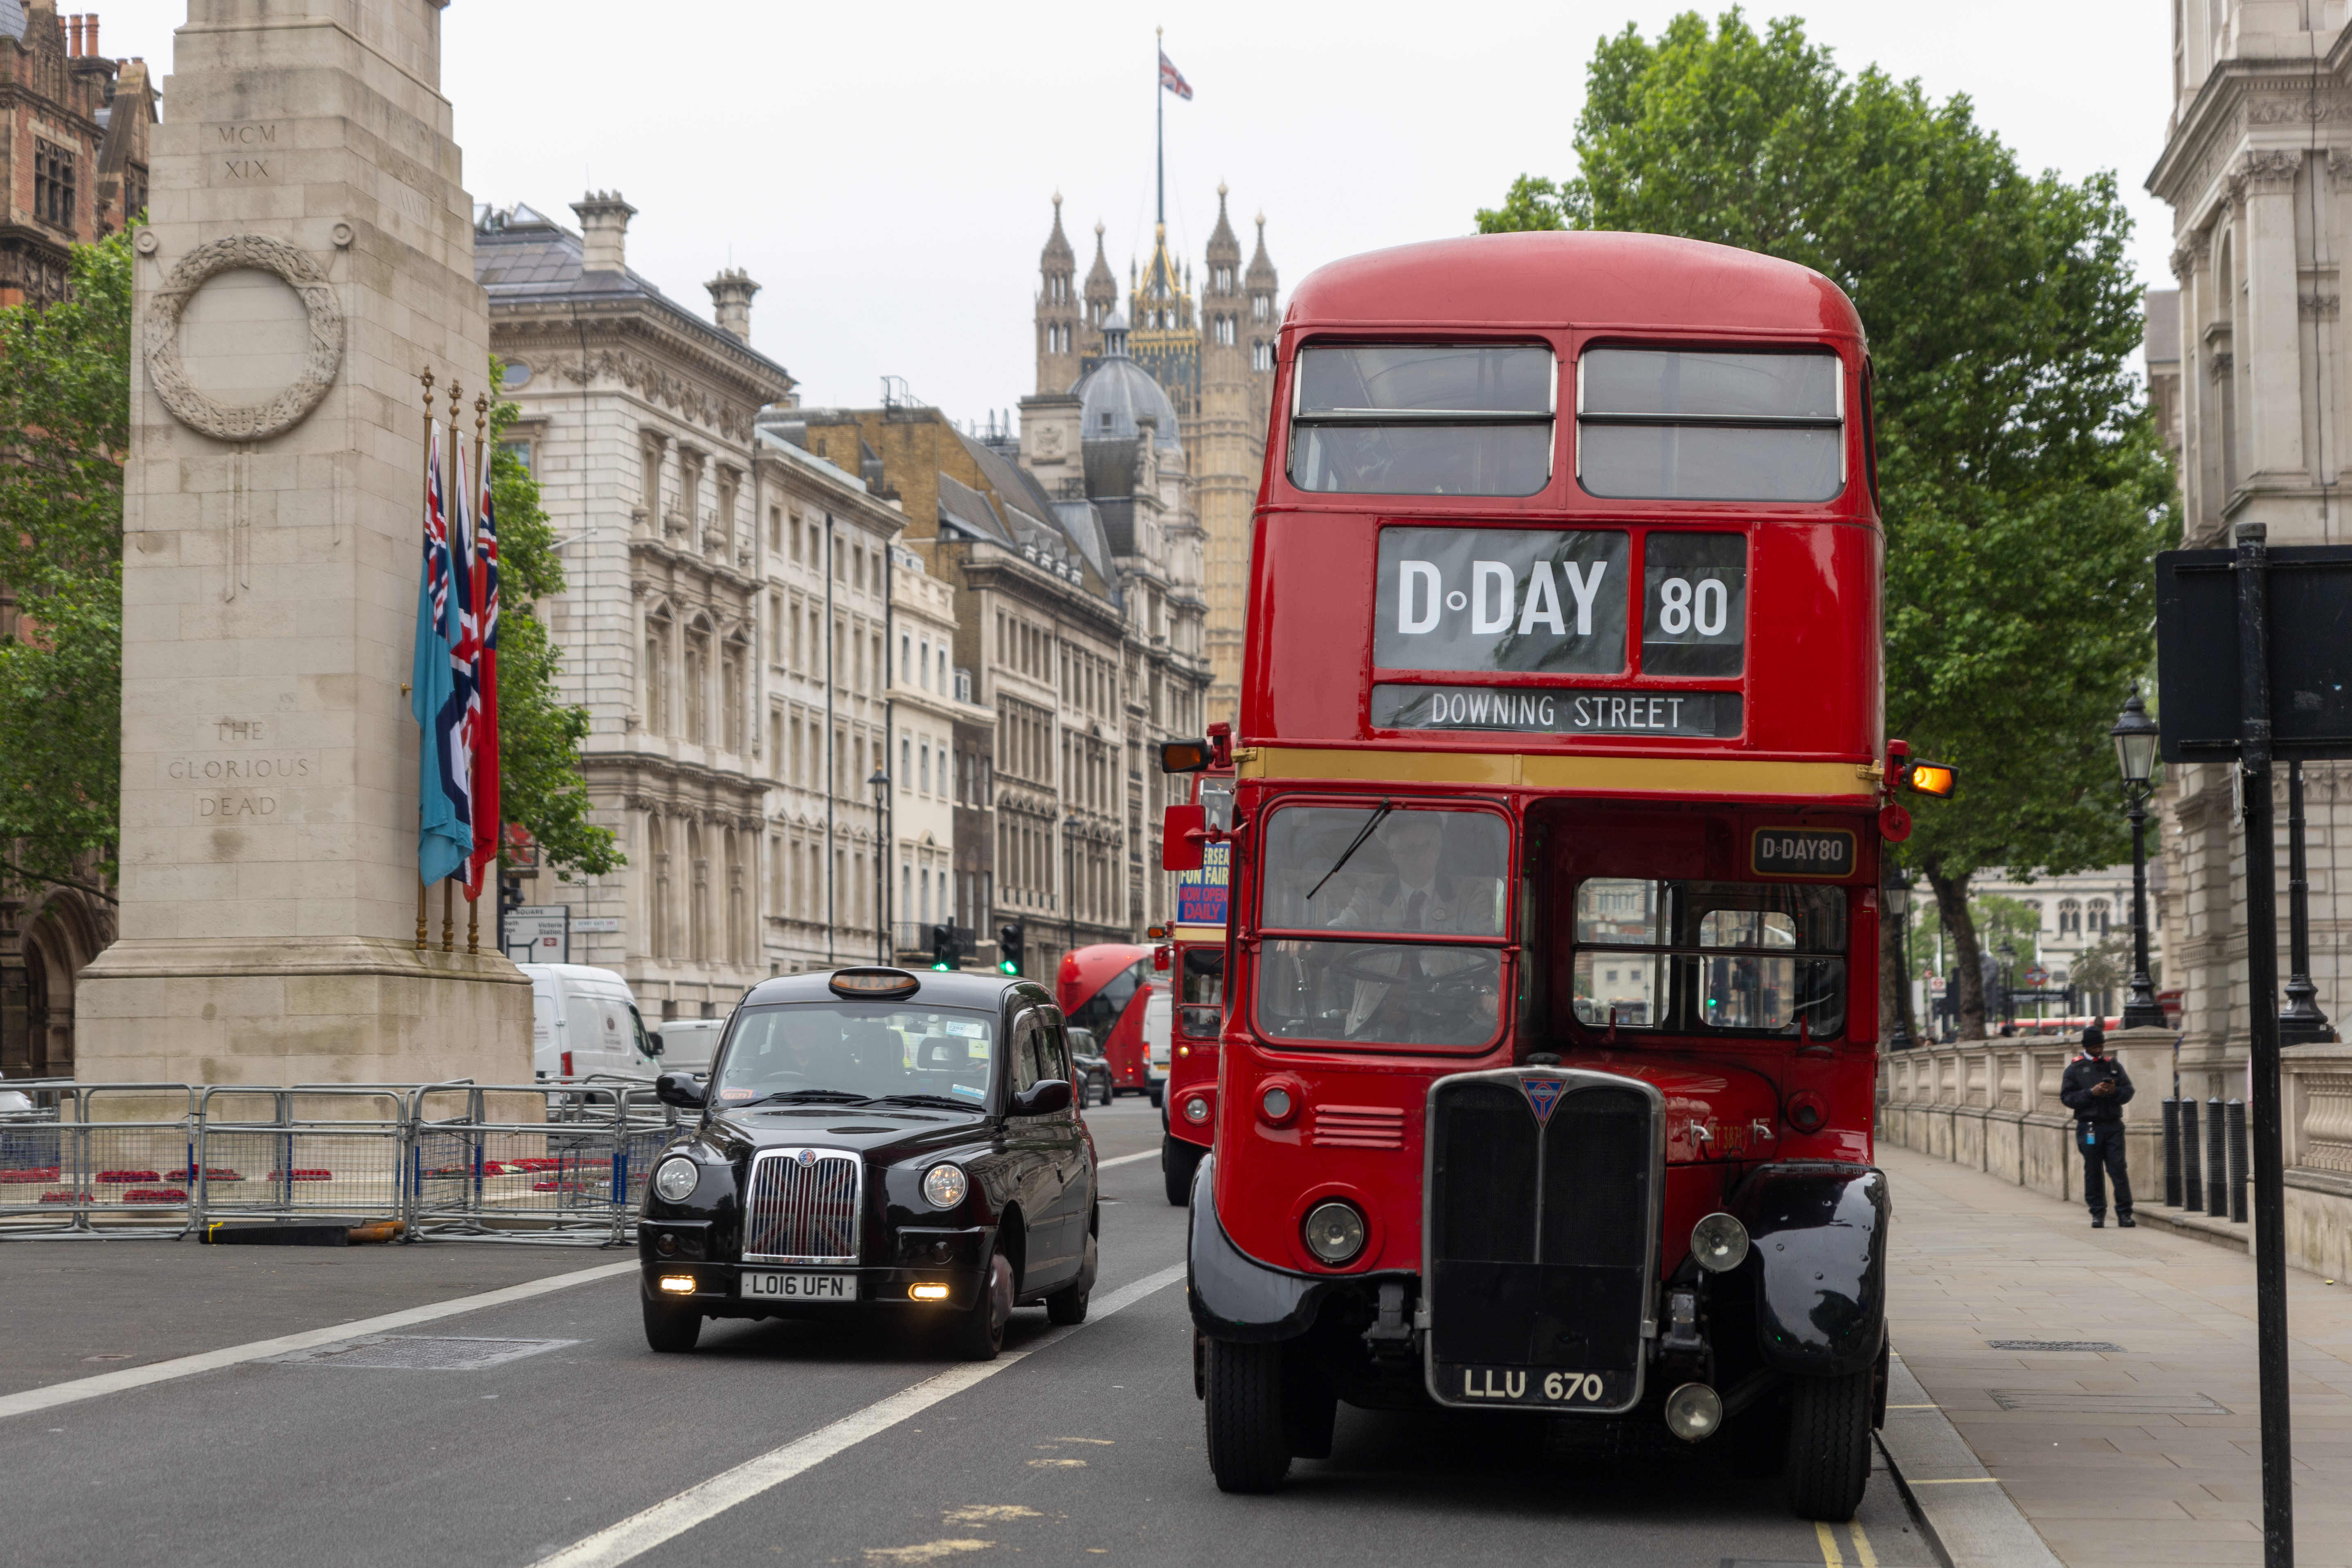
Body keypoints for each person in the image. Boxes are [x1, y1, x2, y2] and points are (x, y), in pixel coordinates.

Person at [2059, 1023, 2135, 1228]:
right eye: (2095, 1047)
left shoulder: (2113, 1066)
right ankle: (2098, 1213)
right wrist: (2091, 1093)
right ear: (2087, 1047)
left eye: (2101, 1046)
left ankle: (2125, 1213)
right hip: (2089, 1127)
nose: (2099, 1050)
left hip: (2113, 1125)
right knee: (2093, 1171)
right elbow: (2067, 1098)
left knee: (2118, 1168)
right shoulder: (2075, 1069)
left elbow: (2128, 1091)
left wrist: (2113, 1092)